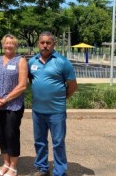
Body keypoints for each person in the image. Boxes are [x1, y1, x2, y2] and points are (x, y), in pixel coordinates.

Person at [28, 31, 78, 176]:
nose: (45, 46)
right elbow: (32, 80)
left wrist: (61, 98)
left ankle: (60, 171)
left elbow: (73, 85)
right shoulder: (32, 62)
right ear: (38, 44)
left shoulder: (62, 62)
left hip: (56, 111)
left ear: (54, 44)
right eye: (42, 43)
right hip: (38, 111)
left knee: (58, 143)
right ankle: (42, 168)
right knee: (39, 142)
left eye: (48, 43)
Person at [0, 34, 28, 176]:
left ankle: (13, 166)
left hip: (13, 105)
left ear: (16, 45)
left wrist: (5, 99)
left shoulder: (20, 61)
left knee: (11, 134)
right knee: (0, 134)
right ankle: (5, 163)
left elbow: (22, 85)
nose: (9, 46)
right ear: (3, 45)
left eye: (12, 43)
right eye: (6, 43)